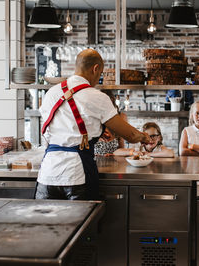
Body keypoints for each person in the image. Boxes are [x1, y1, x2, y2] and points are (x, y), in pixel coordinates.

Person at [36, 49, 151, 200]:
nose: (99, 78)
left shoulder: (51, 93)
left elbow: (49, 132)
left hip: (47, 174)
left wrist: (95, 130)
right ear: (95, 68)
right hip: (76, 175)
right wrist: (144, 137)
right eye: (100, 73)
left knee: (46, 223)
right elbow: (131, 135)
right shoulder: (97, 97)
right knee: (82, 223)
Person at [94, 90, 127, 156]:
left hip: (114, 162)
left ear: (112, 101)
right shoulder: (94, 119)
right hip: (95, 162)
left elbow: (121, 146)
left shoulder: (120, 117)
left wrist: (116, 155)